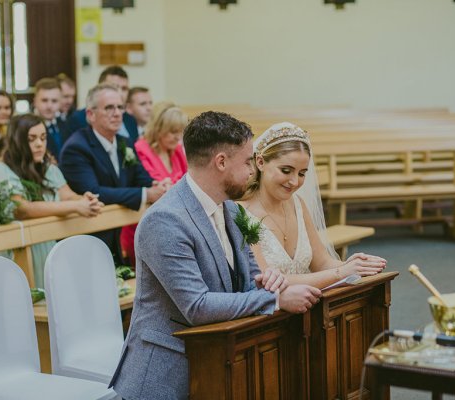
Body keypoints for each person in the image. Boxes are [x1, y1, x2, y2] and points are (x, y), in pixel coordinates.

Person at [110, 111, 321, 399]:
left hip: (218, 362)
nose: (252, 171)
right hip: (168, 374)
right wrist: (275, 299)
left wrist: (266, 280)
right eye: (247, 161)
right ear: (221, 162)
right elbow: (196, 306)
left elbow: (248, 278)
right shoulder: (165, 220)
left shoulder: (232, 210)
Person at [239, 122, 386, 289]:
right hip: (271, 310)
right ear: (260, 162)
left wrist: (349, 265)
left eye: (302, 173)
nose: (294, 182)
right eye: (286, 171)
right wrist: (340, 273)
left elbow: (322, 263)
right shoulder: (241, 213)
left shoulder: (297, 204)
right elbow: (263, 280)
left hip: (308, 303)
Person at [0, 114, 103, 288]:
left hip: (40, 243)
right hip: (4, 249)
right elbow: (23, 209)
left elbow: (67, 195)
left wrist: (85, 199)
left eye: (43, 138)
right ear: (17, 141)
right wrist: (76, 206)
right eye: (32, 139)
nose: (40, 144)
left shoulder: (48, 169)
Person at [60, 83, 168, 264]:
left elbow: (140, 177)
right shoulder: (77, 147)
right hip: (86, 237)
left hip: (115, 235)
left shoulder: (124, 141)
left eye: (120, 107)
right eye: (109, 108)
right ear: (90, 114)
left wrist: (157, 186)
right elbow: (94, 191)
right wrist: (145, 194)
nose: (117, 113)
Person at [121, 101, 188, 265]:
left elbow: (188, 179)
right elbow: (148, 184)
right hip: (145, 224)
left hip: (176, 224)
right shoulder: (140, 148)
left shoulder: (176, 150)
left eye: (180, 132)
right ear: (159, 128)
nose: (177, 137)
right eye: (172, 132)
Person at [67, 65, 139, 145]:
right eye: (114, 87)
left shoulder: (130, 120)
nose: (120, 93)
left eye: (124, 89)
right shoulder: (79, 119)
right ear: (100, 88)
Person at [32, 77, 70, 159]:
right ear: (35, 101)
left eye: (54, 101)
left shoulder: (66, 124)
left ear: (60, 102)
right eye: (44, 100)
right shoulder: (28, 127)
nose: (49, 106)